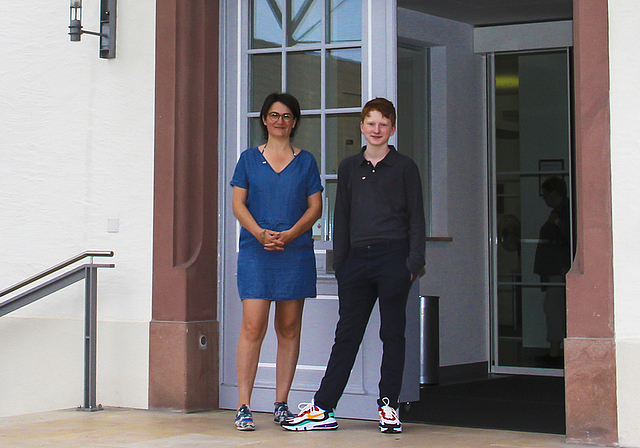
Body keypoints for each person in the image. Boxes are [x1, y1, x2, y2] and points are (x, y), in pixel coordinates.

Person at [282, 97, 426, 434]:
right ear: (361, 127)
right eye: (371, 123)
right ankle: (324, 408)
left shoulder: (405, 167)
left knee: (393, 334)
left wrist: (414, 262)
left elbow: (417, 218)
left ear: (392, 129)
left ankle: (388, 405)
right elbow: (341, 216)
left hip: (394, 258)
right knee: (346, 336)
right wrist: (342, 262)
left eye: (383, 124)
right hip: (356, 263)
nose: (377, 130)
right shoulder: (348, 168)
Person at [230, 92, 323, 430]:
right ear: (264, 120)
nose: (280, 121)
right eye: (273, 115)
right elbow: (238, 203)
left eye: (286, 116)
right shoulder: (248, 159)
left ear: (294, 121)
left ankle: (281, 403)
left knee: (289, 328)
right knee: (253, 325)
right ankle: (243, 405)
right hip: (257, 252)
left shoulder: (307, 161)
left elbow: (315, 207)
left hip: (294, 252)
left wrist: (292, 234)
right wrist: (258, 233)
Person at [534, 176, 571, 366]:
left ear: (554, 193)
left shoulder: (565, 214)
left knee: (553, 309)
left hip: (559, 271)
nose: (545, 199)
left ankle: (555, 353)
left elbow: (570, 238)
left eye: (546, 194)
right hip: (556, 270)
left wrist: (556, 223)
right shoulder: (562, 212)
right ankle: (555, 351)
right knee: (554, 309)